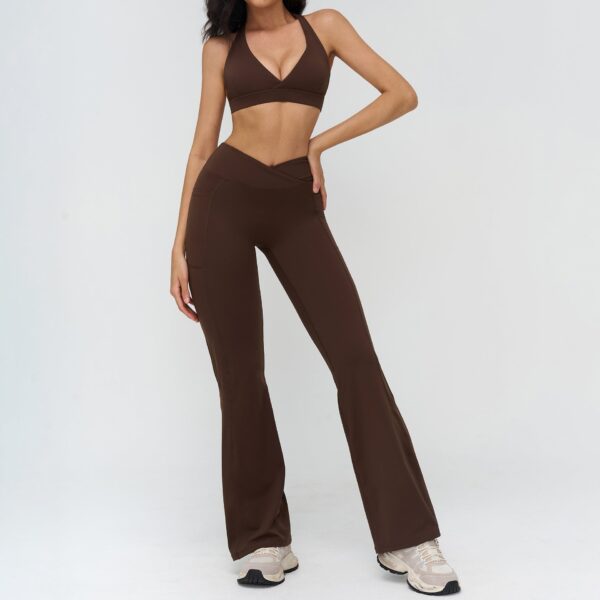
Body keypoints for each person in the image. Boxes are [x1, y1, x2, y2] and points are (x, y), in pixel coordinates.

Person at [170, 0, 461, 594]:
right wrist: (179, 245)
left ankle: (407, 537)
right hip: (223, 203)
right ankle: (262, 538)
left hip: (295, 205)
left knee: (356, 359)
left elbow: (401, 95)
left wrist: (319, 144)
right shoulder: (220, 48)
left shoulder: (324, 27)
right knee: (240, 376)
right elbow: (201, 147)